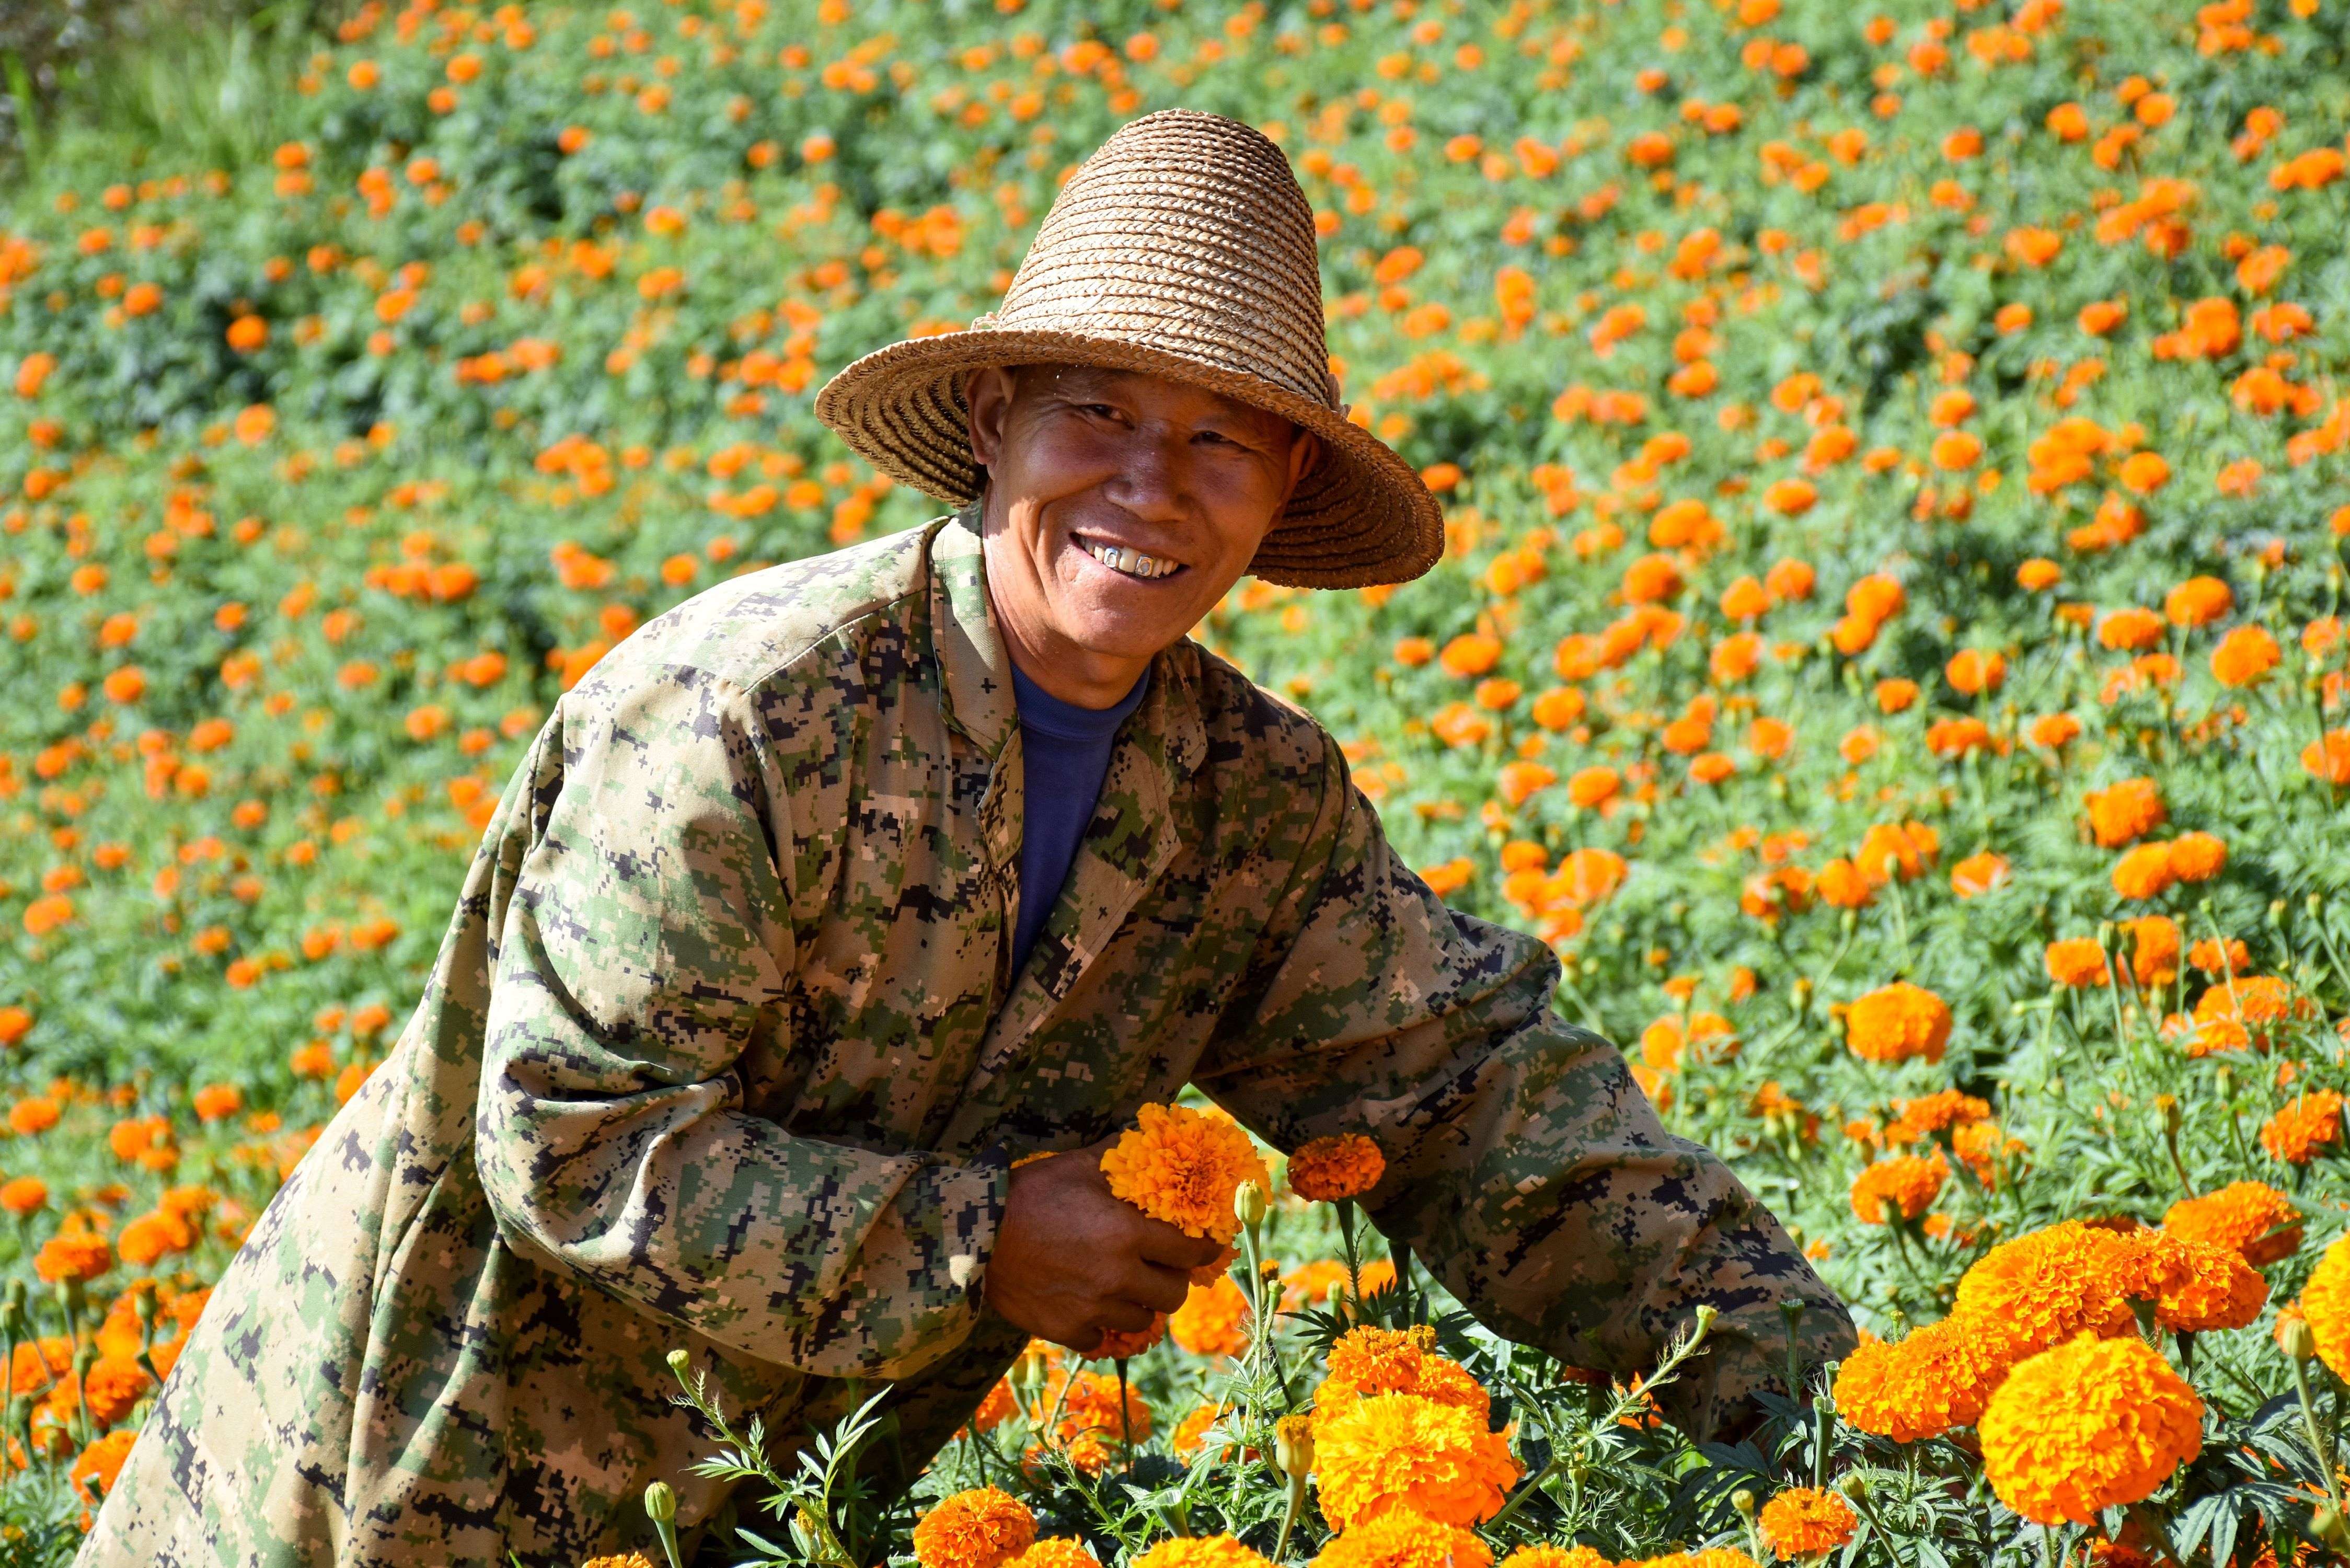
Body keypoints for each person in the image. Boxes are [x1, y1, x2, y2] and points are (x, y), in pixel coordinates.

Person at [82, 108, 1851, 1567]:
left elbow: (1486, 1114)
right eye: (1100, 412)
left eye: (1220, 440)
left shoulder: (1253, 806)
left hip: (750, 1521)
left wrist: (1844, 1424)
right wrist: (978, 1243)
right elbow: (567, 1144)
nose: (1152, 486)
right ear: (995, 426)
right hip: (388, 1489)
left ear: (1282, 498)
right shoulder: (751, 713)